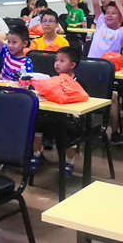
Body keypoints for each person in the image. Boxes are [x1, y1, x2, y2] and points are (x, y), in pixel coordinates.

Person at [88, 0, 123, 142]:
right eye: (108, 12)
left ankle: (114, 133)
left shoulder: (120, 33)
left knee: (113, 98)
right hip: (90, 69)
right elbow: (95, 3)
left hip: (107, 73)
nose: (109, 15)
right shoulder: (100, 24)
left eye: (114, 13)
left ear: (120, 17)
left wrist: (120, 5)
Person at [30, 47, 85, 177]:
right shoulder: (52, 80)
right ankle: (37, 155)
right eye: (56, 60)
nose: (57, 63)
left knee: (71, 129)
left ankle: (69, 162)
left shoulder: (78, 83)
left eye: (62, 61)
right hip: (53, 115)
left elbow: (82, 102)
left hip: (72, 117)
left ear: (72, 65)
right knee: (36, 122)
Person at [0, 16, 32, 81]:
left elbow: (26, 83)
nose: (10, 45)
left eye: (14, 42)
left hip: (13, 87)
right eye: (8, 41)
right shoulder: (7, 52)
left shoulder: (26, 63)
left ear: (25, 43)